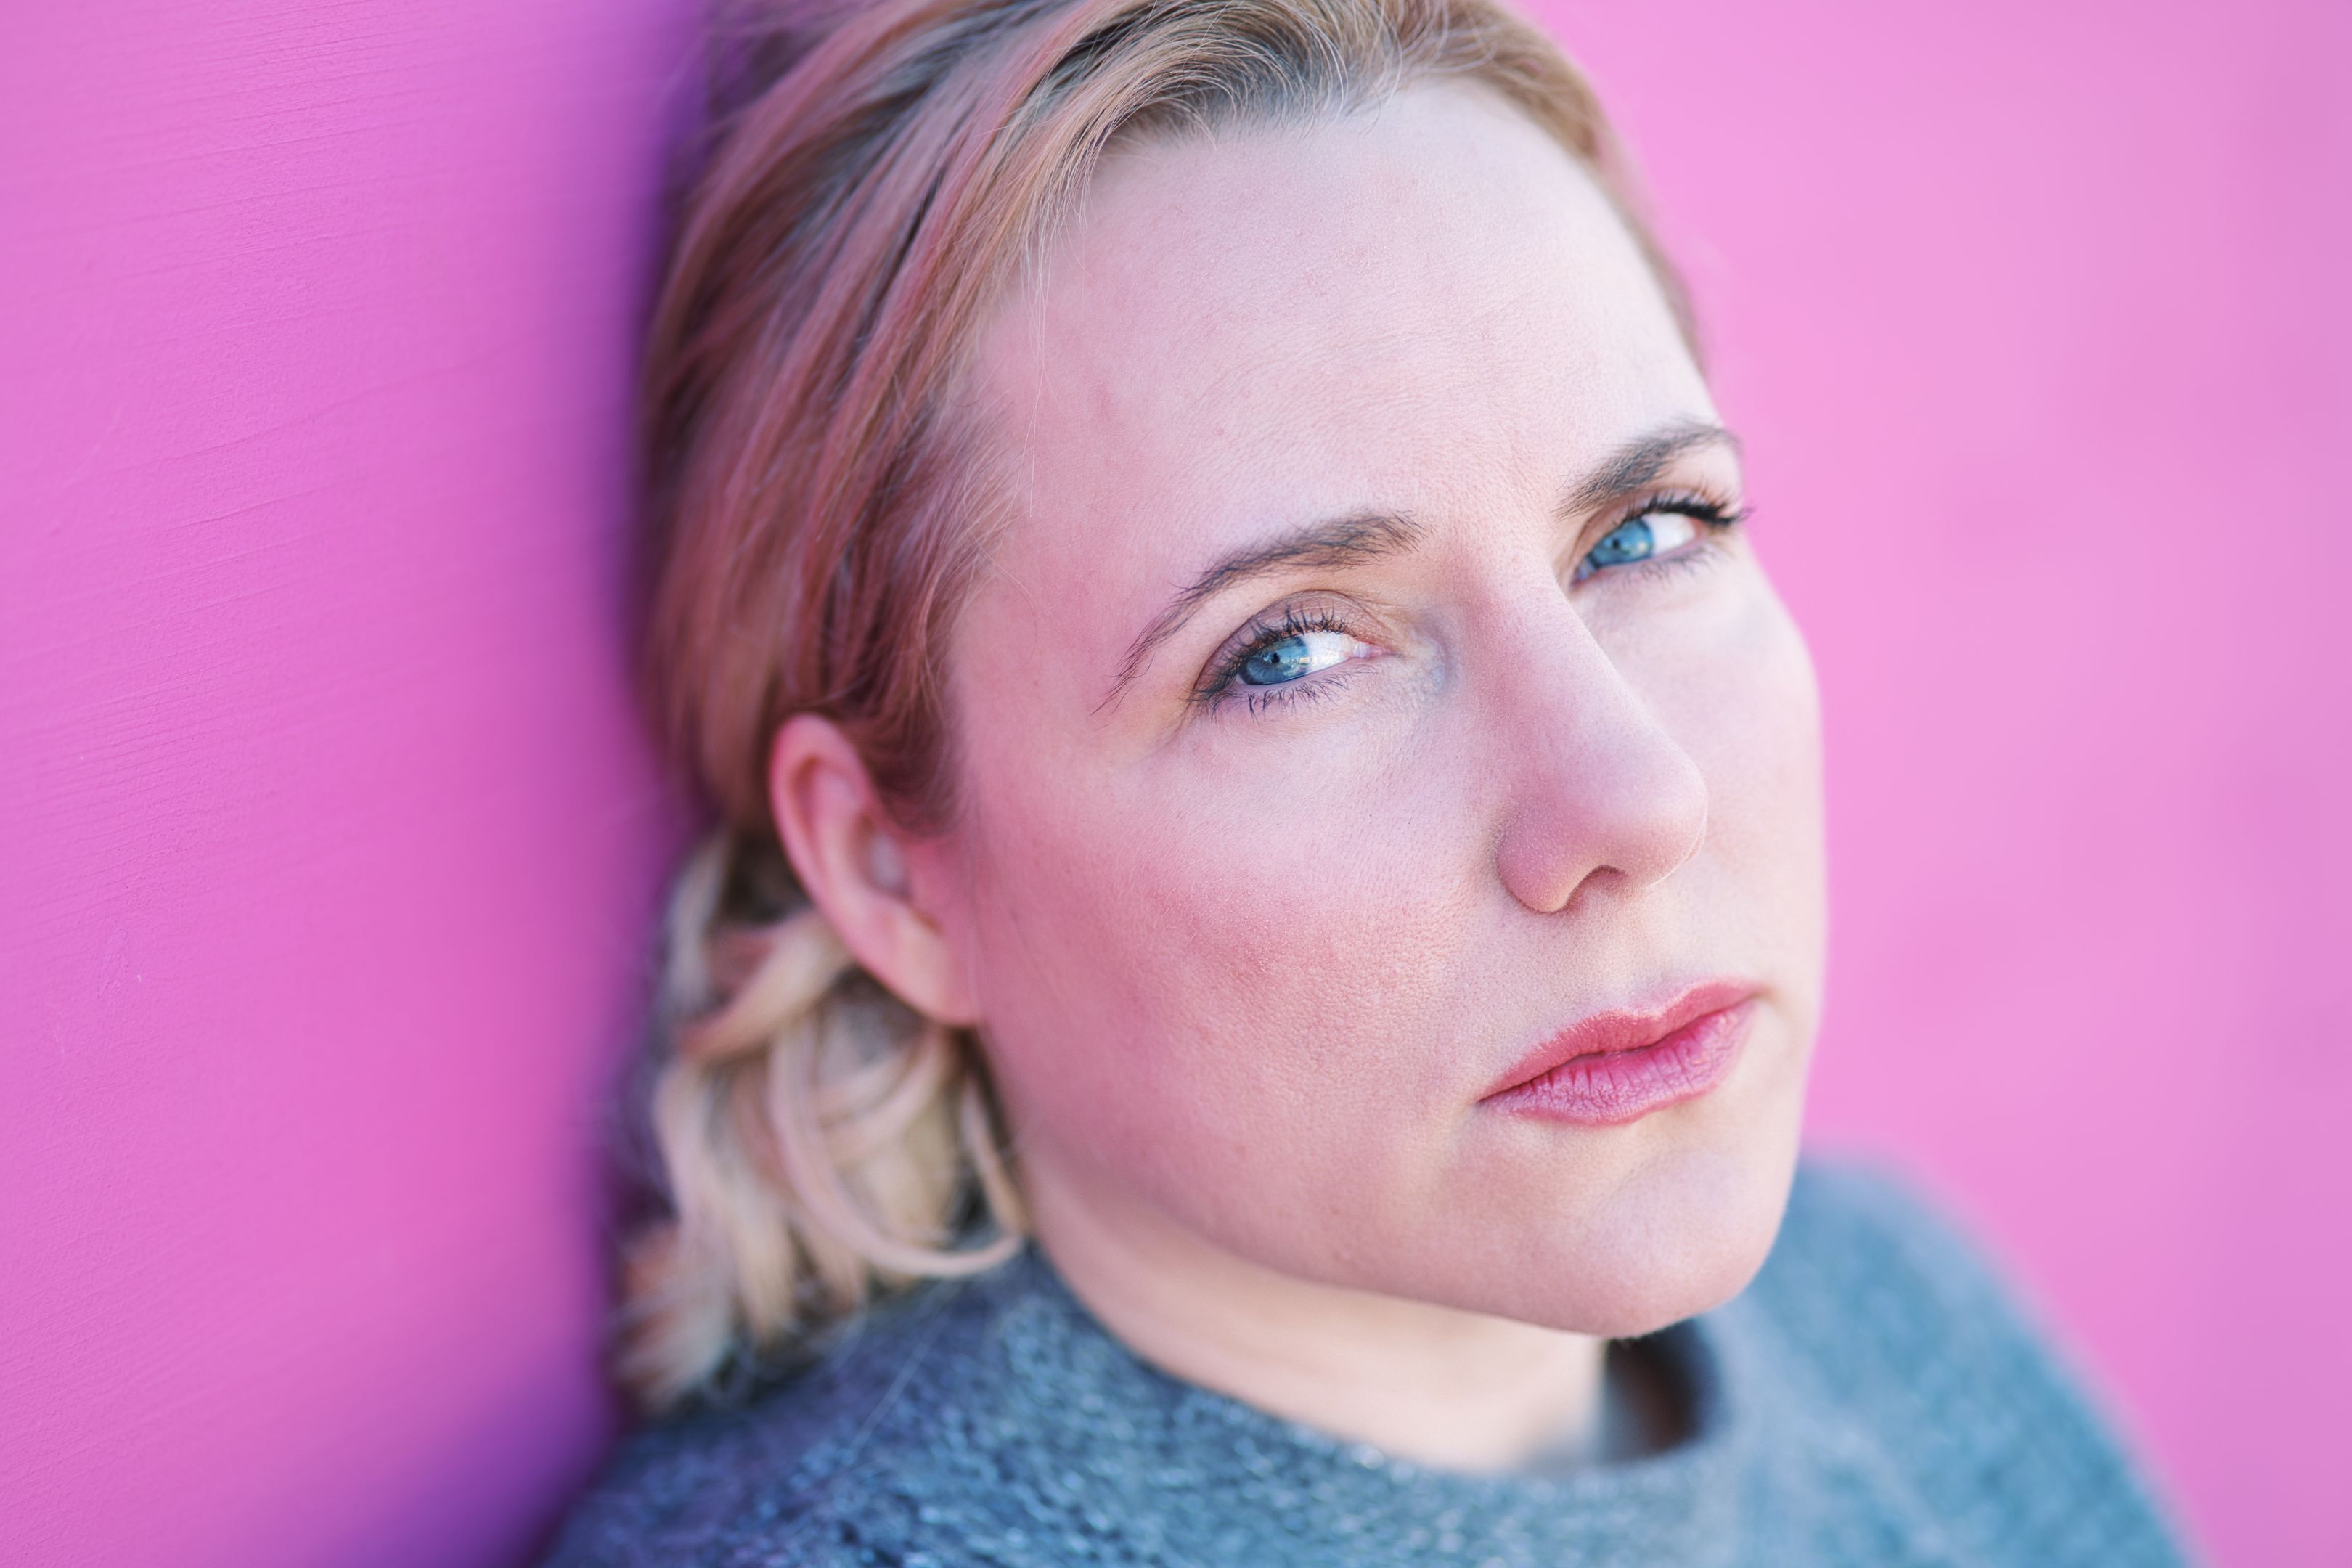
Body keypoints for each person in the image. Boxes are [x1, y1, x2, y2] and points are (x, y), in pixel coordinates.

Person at [543, 0, 2190, 1560]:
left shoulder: (1903, 1335)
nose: (1635, 799)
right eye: (1290, 655)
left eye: (1649, 532)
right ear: (893, 872)